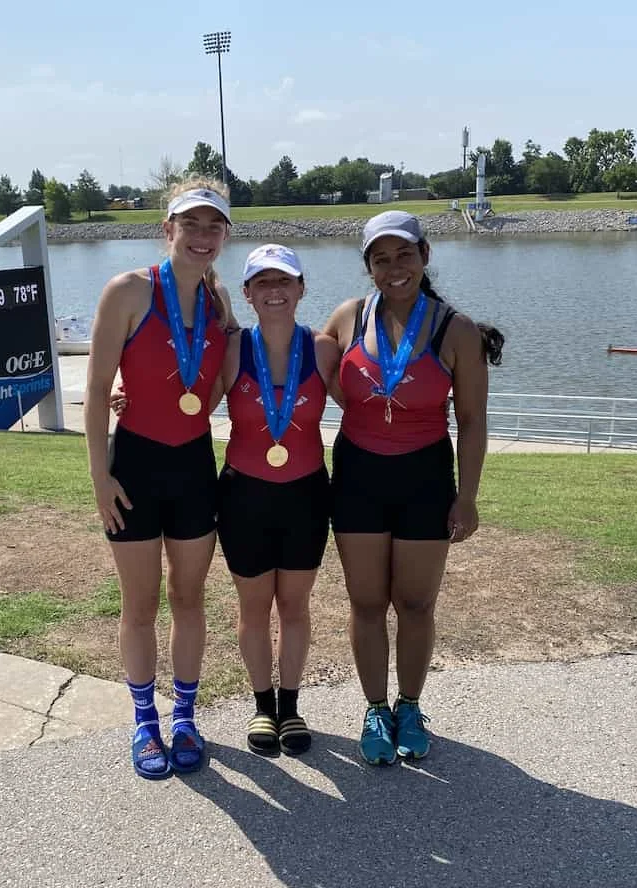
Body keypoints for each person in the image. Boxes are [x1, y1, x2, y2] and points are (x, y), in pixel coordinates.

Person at [322, 210, 503, 766]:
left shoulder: (457, 330)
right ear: (368, 267)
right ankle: (375, 708)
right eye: (381, 258)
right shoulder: (348, 318)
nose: (394, 267)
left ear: (425, 257)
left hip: (426, 477)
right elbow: (305, 366)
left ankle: (410, 704)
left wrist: (466, 496)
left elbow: (472, 421)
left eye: (404, 255)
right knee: (367, 602)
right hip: (357, 475)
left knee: (417, 603)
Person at [85, 178, 236, 780]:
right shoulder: (127, 291)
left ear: (225, 235)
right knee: (141, 603)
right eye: (190, 223)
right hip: (134, 470)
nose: (202, 235)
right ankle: (145, 720)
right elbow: (96, 392)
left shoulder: (221, 307)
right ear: (167, 228)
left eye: (213, 226)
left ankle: (185, 718)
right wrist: (99, 477)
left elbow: (220, 386)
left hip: (194, 467)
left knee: (188, 598)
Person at [215, 244, 339, 757]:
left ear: (301, 288)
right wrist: (125, 397)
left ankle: (290, 707)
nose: (274, 290)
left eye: (283, 280)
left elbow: (366, 403)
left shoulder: (324, 348)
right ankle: (262, 705)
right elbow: (185, 401)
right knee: (254, 608)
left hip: (307, 496)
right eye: (262, 282)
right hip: (244, 495)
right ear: (247, 293)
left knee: (294, 606)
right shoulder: (229, 349)